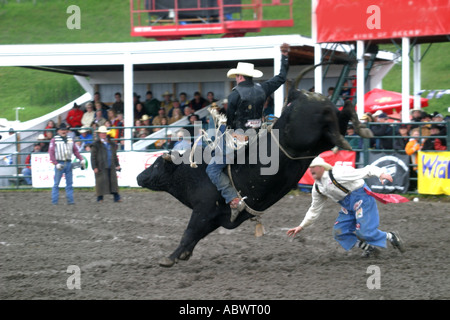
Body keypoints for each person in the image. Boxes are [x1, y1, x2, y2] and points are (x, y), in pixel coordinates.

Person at [206, 43, 290, 222]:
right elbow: (282, 77)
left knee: (212, 168)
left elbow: (229, 121)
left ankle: (233, 200)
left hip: (239, 139)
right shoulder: (263, 88)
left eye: (236, 75)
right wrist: (284, 55)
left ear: (239, 76)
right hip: (258, 136)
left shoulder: (235, 95)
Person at [286, 156, 405, 257]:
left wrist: (380, 173)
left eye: (314, 166)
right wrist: (302, 226)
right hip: (347, 205)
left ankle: (390, 236)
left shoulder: (337, 174)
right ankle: (368, 248)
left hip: (362, 197)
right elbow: (314, 209)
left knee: (365, 232)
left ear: (322, 167)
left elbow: (365, 170)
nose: (311, 170)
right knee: (339, 232)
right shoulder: (317, 188)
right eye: (310, 167)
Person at [48, 123, 85, 205]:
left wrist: (81, 158)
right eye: (62, 130)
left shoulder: (70, 139)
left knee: (69, 183)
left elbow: (75, 150)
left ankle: (70, 201)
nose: (64, 131)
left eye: (65, 130)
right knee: (57, 183)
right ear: (58, 131)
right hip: (59, 162)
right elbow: (51, 153)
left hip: (68, 162)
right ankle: (55, 201)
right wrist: (56, 163)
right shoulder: (54, 140)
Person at [90, 126, 122, 203]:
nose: (103, 134)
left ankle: (116, 197)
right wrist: (94, 167)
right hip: (100, 165)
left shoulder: (111, 144)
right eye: (102, 133)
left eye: (104, 133)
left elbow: (114, 155)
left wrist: (117, 164)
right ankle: (100, 198)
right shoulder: (95, 144)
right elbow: (93, 157)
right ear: (99, 134)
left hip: (111, 164)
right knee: (100, 182)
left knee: (113, 182)